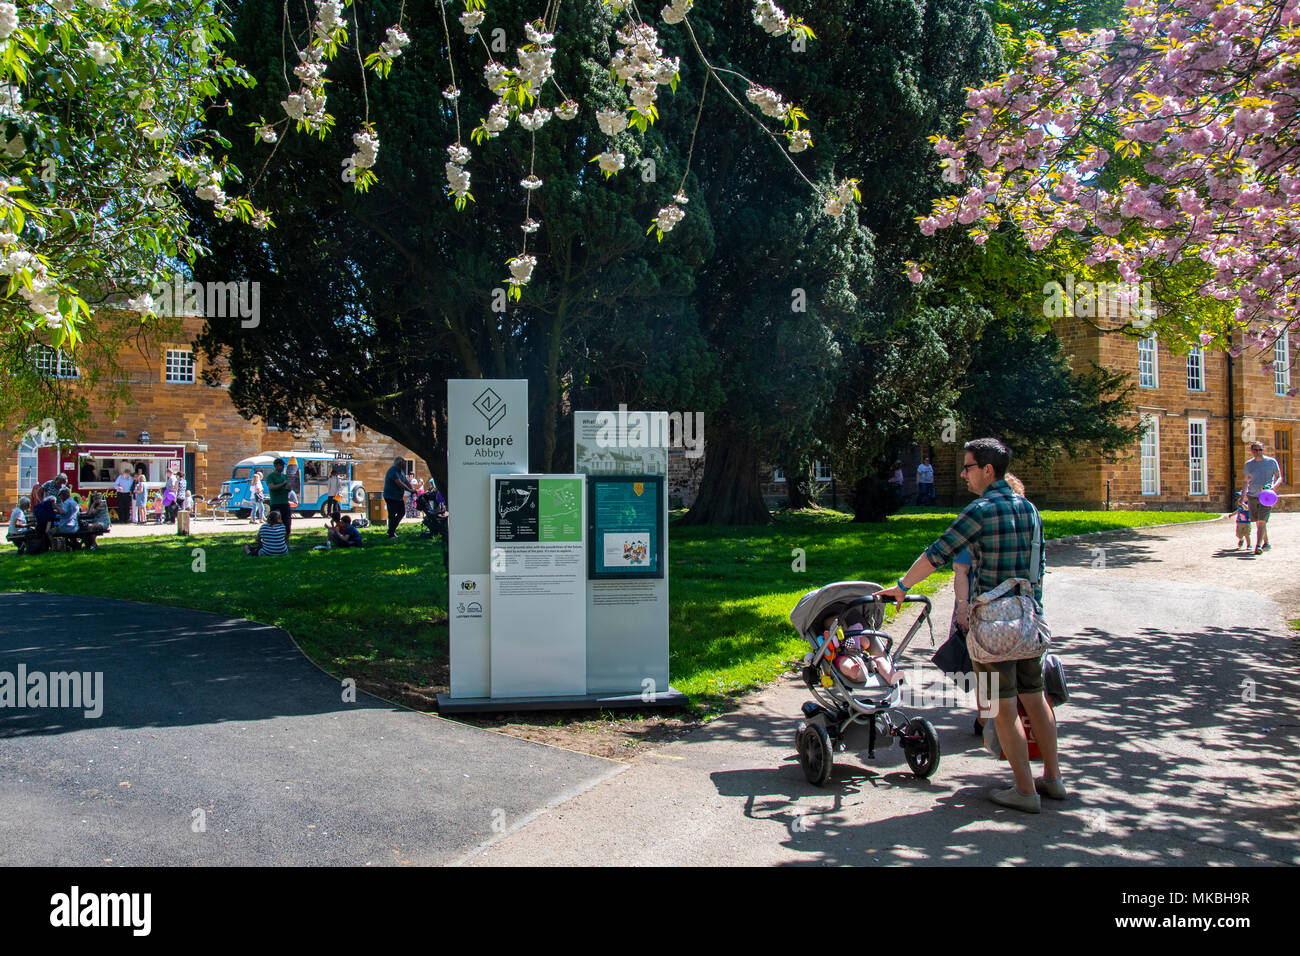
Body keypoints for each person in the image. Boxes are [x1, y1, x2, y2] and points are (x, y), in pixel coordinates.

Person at [878, 439, 1061, 814]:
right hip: (1028, 619)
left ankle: (1025, 790)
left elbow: (937, 553)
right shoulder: (1029, 509)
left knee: (1002, 707)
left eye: (968, 466)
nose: (963, 474)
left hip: (993, 625)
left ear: (988, 470)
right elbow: (1038, 566)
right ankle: (1053, 779)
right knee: (1036, 697)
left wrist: (902, 587)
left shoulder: (979, 511)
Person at [1243, 440, 1282, 554]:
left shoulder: (1271, 462)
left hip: (1267, 496)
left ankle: (1258, 546)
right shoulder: (1249, 464)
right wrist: (1242, 497)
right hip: (1252, 495)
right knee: (1258, 521)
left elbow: (1279, 477)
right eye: (1256, 450)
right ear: (1252, 451)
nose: (1258, 452)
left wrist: (1273, 487)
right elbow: (1246, 481)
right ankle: (1266, 542)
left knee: (1262, 521)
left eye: (1260, 450)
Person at [382, 456, 414, 540]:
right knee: (392, 515)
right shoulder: (393, 470)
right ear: (399, 463)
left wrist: (411, 488)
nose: (405, 464)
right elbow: (399, 483)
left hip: (398, 497)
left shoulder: (401, 471)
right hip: (391, 496)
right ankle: (391, 533)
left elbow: (405, 481)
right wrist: (409, 490)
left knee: (402, 512)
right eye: (403, 462)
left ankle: (391, 531)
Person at [265, 457, 293, 535]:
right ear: (276, 466)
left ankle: (286, 544)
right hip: (276, 503)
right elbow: (271, 487)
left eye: (283, 465)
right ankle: (275, 540)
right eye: (281, 465)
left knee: (287, 524)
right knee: (275, 524)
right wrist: (283, 484)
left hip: (285, 503)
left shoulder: (284, 476)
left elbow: (289, 489)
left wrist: (289, 486)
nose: (282, 467)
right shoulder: (271, 476)